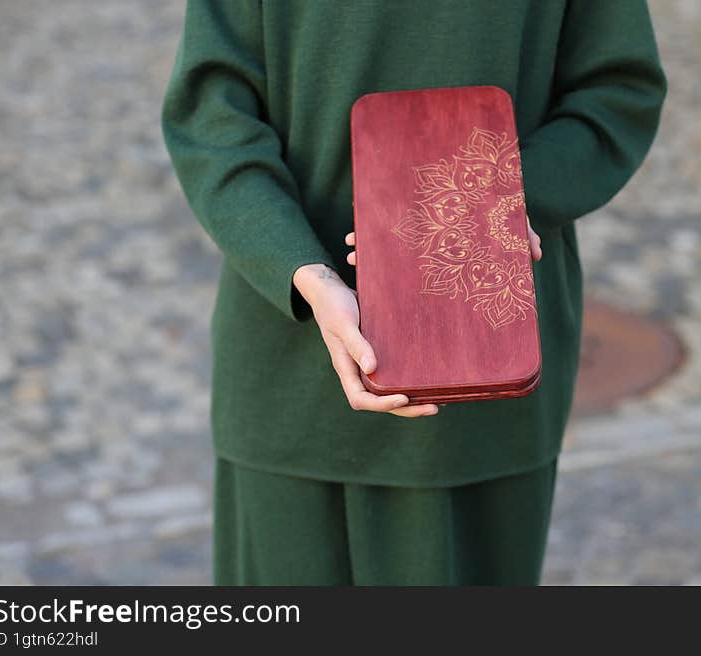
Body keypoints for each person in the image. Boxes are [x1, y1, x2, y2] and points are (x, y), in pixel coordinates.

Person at [160, 0, 667, 585]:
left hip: (485, 371)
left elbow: (617, 93)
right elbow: (211, 117)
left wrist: (494, 198)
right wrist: (300, 268)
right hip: (290, 375)